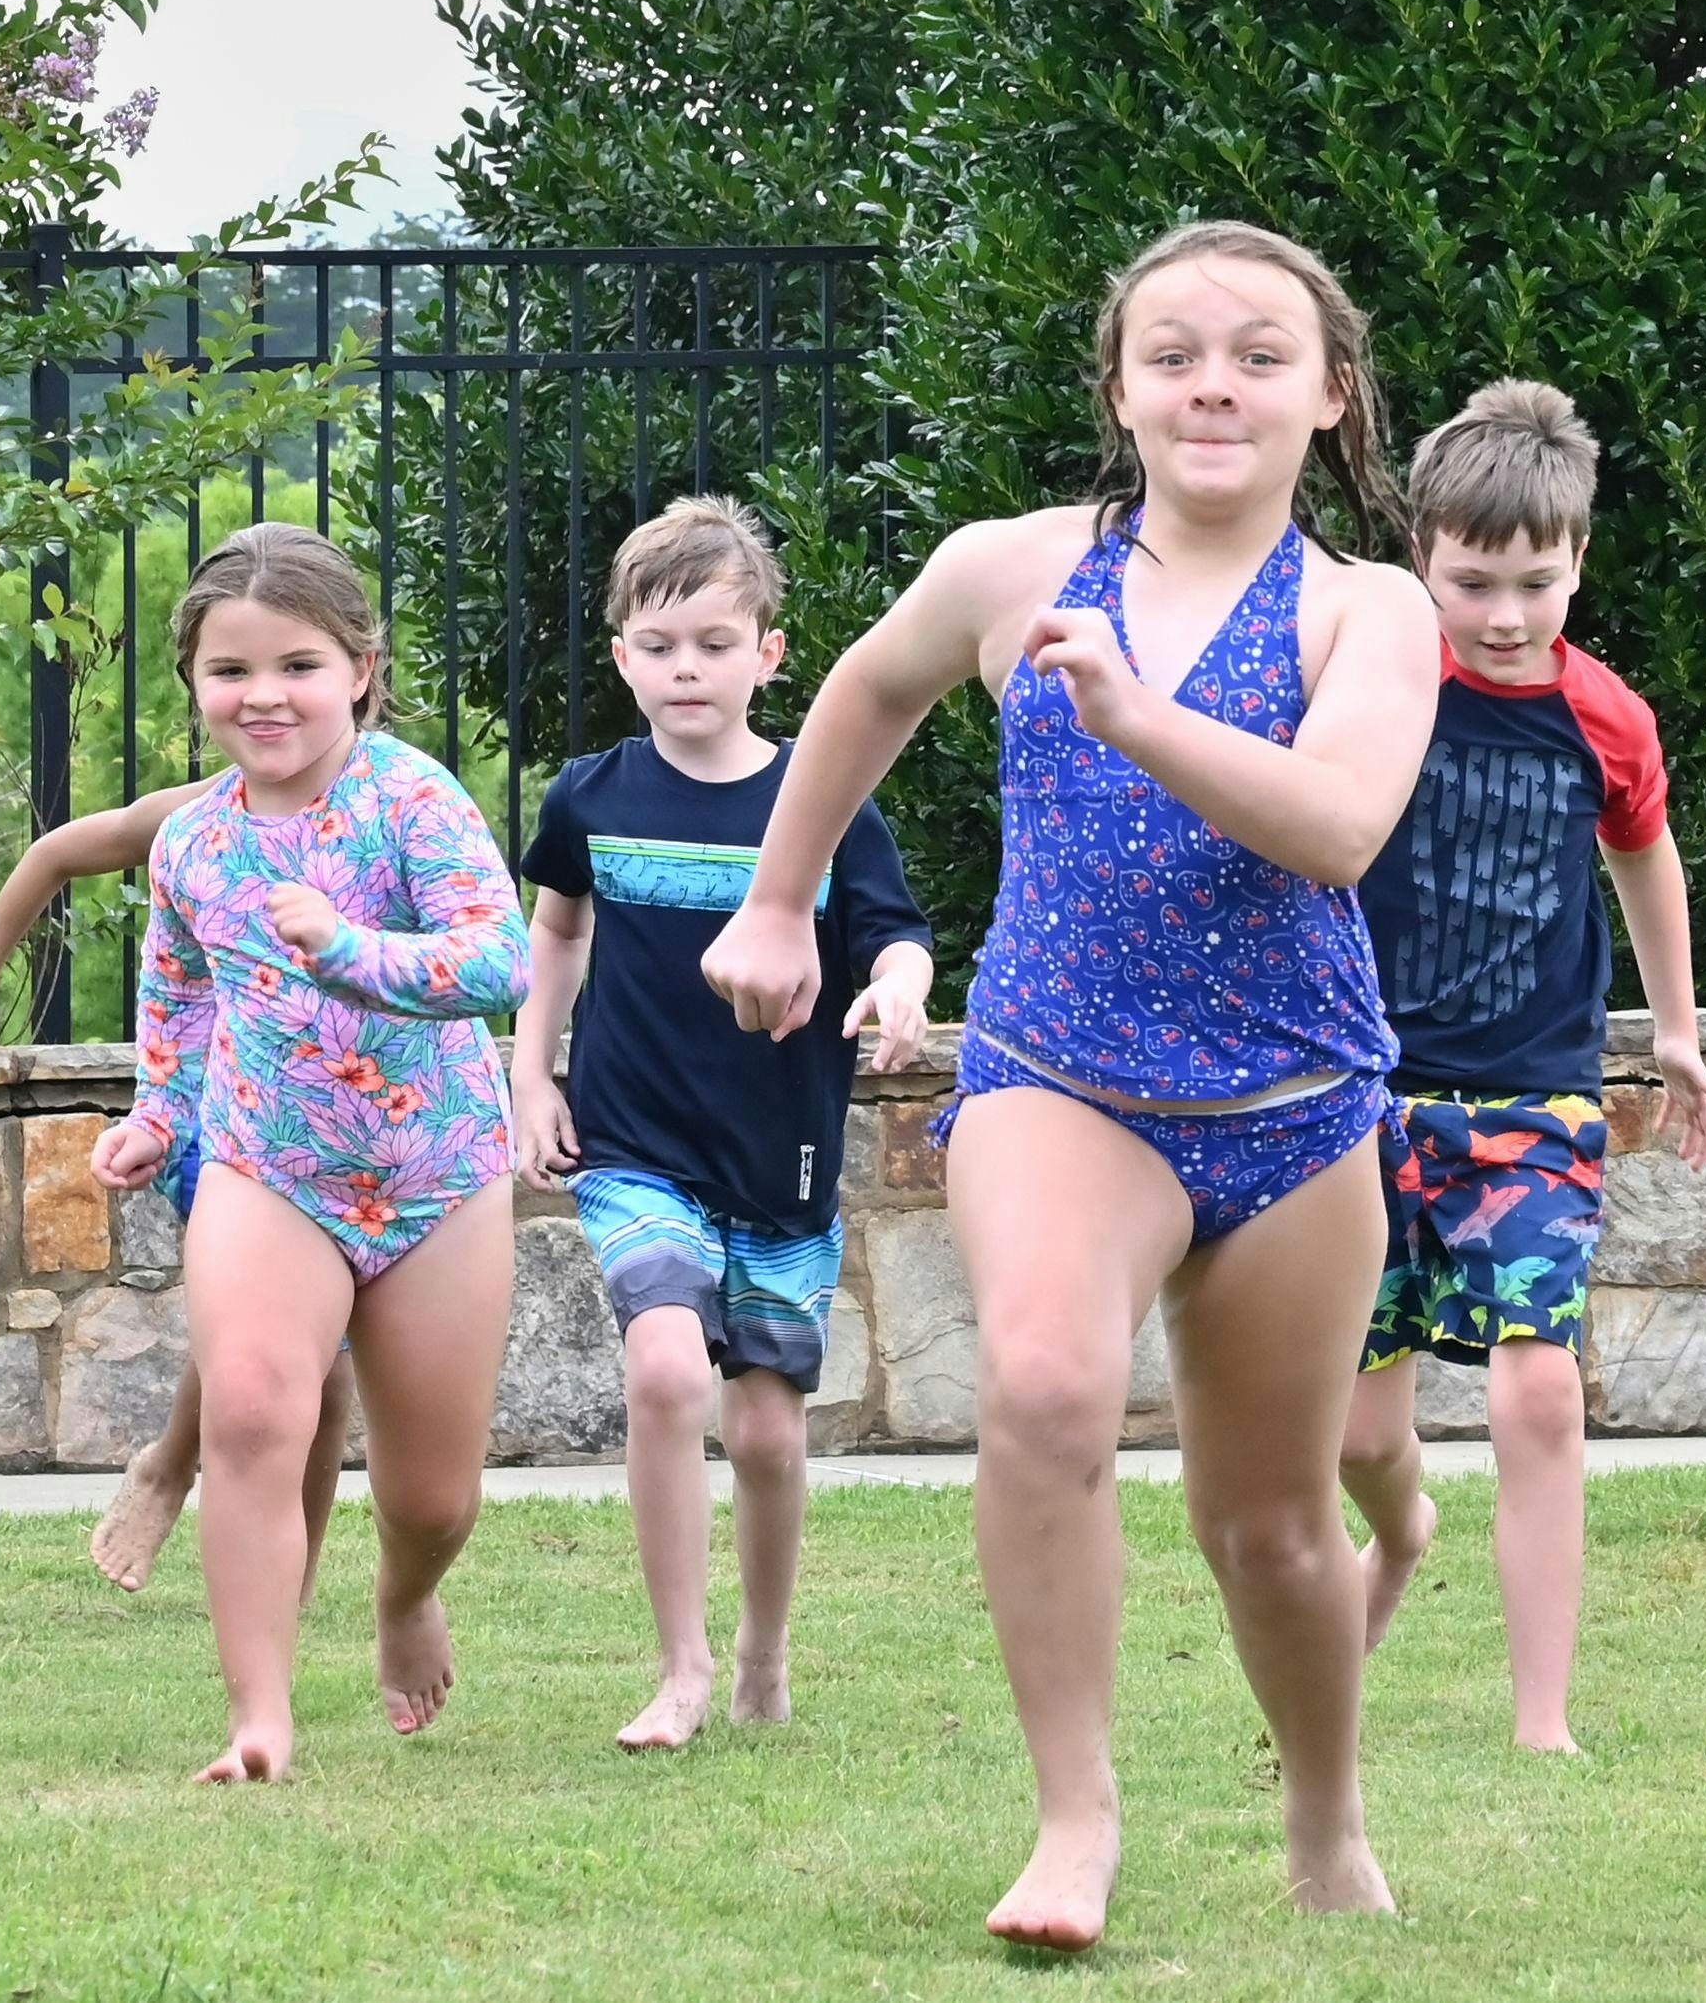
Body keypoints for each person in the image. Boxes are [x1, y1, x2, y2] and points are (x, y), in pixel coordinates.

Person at [704, 220, 1440, 1949]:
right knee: (1042, 1387)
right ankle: (1073, 1821)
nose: (1213, 382)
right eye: (1172, 350)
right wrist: (780, 896)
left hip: (1292, 1114)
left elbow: (1341, 825)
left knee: (1268, 1526)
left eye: (1261, 354)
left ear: (1330, 398)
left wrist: (1136, 717)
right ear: (1117, 386)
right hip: (1061, 1077)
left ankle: (1326, 1818)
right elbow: (866, 695)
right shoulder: (1007, 568)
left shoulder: (1371, 608)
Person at [89, 522, 531, 1783]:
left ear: (360, 669)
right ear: (193, 686)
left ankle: (403, 1600)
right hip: (266, 1166)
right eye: (230, 672)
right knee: (250, 1412)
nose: (263, 696)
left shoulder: (412, 799)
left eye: (296, 666)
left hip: (437, 1172)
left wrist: (348, 946)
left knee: (435, 1499)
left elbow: (494, 961)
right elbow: (178, 1002)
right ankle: (259, 1718)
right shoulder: (190, 843)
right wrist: (155, 1118)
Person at [1333, 381, 1706, 1753]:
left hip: (1533, 1094)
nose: (1503, 614)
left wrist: (1673, 1029)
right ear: (1421, 558)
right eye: (1472, 581)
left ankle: (1540, 1719)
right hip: (1356, 1095)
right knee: (1357, 1437)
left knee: (1537, 1386)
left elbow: (1643, 855)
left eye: (1535, 582)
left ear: (1578, 561)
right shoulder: (1372, 684)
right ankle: (1400, 1528)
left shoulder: (1602, 714)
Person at [513, 495, 935, 1751]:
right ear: (621, 658)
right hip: (635, 1144)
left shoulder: (827, 800)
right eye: (657, 645)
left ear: (770, 653)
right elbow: (559, 932)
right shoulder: (590, 796)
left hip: (779, 1156)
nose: (683, 668)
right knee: (661, 1369)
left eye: (711, 641)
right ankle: (682, 1667)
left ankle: (762, 1646)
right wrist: (532, 1079)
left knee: (760, 1427)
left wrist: (898, 988)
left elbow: (896, 933)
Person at [0, 783, 358, 1597]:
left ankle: (285, 1568)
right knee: (292, 1338)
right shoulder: (199, 814)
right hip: (223, 1119)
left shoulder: (400, 806)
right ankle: (167, 1472)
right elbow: (50, 856)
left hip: (355, 1126)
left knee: (328, 1362)